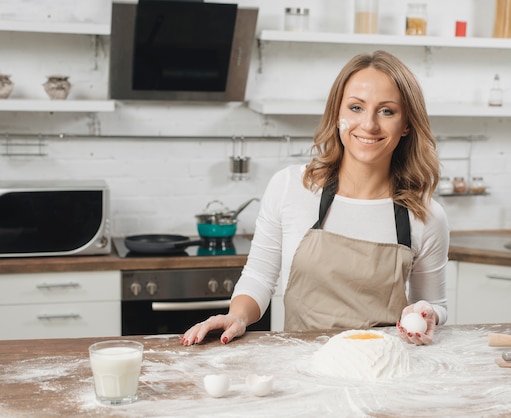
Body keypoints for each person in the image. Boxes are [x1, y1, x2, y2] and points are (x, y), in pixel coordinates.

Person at [181, 50, 449, 347]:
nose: (369, 124)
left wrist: (429, 314)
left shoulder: (425, 216)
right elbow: (259, 274)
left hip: (382, 372)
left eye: (387, 111)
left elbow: (435, 303)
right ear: (338, 114)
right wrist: (238, 316)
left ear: (407, 124)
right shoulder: (290, 187)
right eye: (356, 107)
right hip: (301, 370)